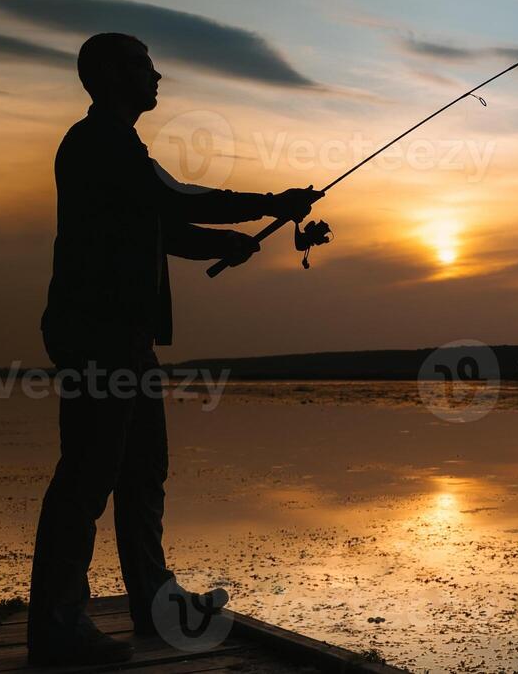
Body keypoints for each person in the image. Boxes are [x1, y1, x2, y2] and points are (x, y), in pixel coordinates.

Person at [27, 33, 321, 665]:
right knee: (85, 478)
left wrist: (223, 245)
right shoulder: (99, 143)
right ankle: (56, 625)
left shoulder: (122, 148)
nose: (157, 77)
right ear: (108, 76)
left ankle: (154, 602)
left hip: (125, 337)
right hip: (97, 335)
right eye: (144, 67)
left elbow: (161, 226)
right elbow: (172, 198)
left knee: (142, 472)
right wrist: (272, 203)